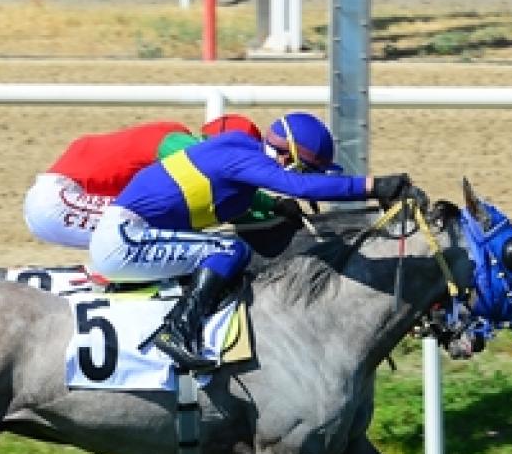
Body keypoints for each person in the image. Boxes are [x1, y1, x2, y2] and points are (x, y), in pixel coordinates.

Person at [87, 111, 416, 371]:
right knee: (229, 249)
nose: (307, 177)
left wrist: (273, 205)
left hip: (128, 235)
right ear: (289, 158)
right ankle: (178, 332)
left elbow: (240, 194)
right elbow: (301, 188)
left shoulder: (237, 147)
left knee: (223, 251)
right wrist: (375, 186)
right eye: (309, 170)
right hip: (124, 242)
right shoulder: (245, 159)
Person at [23, 114, 268, 250]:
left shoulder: (173, 143)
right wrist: (272, 205)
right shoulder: (178, 143)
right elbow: (222, 179)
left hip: (55, 200)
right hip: (56, 201)